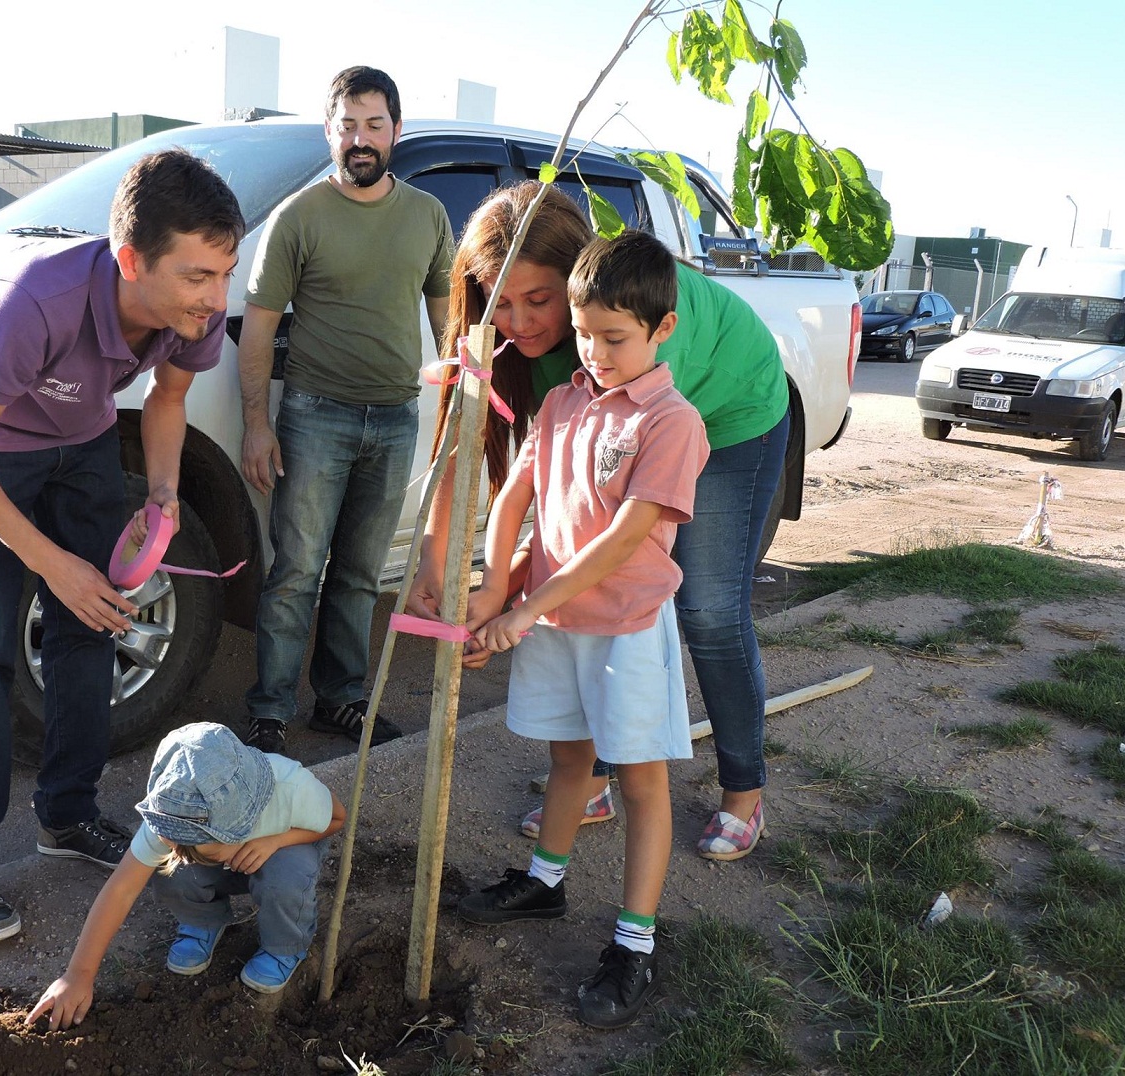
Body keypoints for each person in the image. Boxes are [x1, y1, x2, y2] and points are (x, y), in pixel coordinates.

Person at [0, 150, 245, 946]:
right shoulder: (38, 300)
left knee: (96, 621)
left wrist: (162, 499)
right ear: (132, 261)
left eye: (226, 271)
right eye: (199, 276)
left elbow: (168, 397)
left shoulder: (192, 315)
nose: (217, 297)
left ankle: (66, 816)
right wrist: (50, 562)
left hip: (86, 432)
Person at [408, 181, 789, 862]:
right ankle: (592, 775)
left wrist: (518, 592)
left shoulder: (631, 341)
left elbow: (619, 531)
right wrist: (447, 570)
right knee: (584, 598)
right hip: (637, 438)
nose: (520, 322)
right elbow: (474, 446)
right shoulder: (571, 342)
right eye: (503, 300)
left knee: (704, 610)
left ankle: (743, 791)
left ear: (578, 277)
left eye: (538, 300)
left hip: (731, 416)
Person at [458, 231, 708, 1030]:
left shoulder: (672, 423)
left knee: (638, 781)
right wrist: (494, 583)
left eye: (616, 338)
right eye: (586, 333)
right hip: (558, 619)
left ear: (660, 329)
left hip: (625, 627)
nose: (597, 353)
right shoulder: (562, 401)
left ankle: (633, 943)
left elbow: (624, 540)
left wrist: (524, 609)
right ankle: (545, 881)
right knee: (569, 761)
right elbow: (513, 497)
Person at [237, 65, 454, 757]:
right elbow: (259, 325)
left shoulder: (427, 216)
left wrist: (454, 405)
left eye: (374, 125)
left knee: (362, 574)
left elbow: (449, 321)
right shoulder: (297, 218)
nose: (361, 139)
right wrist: (256, 424)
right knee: (297, 570)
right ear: (330, 130)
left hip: (394, 419)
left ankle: (341, 701)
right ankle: (270, 710)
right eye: (348, 125)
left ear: (396, 130)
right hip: (314, 417)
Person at [26, 722, 346, 1029]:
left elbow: (336, 818)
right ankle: (203, 920)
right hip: (239, 858)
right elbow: (120, 890)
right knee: (169, 868)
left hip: (283, 849)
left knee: (287, 877)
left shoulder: (289, 786)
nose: (179, 848)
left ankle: (284, 947)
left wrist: (274, 841)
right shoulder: (170, 823)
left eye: (214, 850)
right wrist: (78, 975)